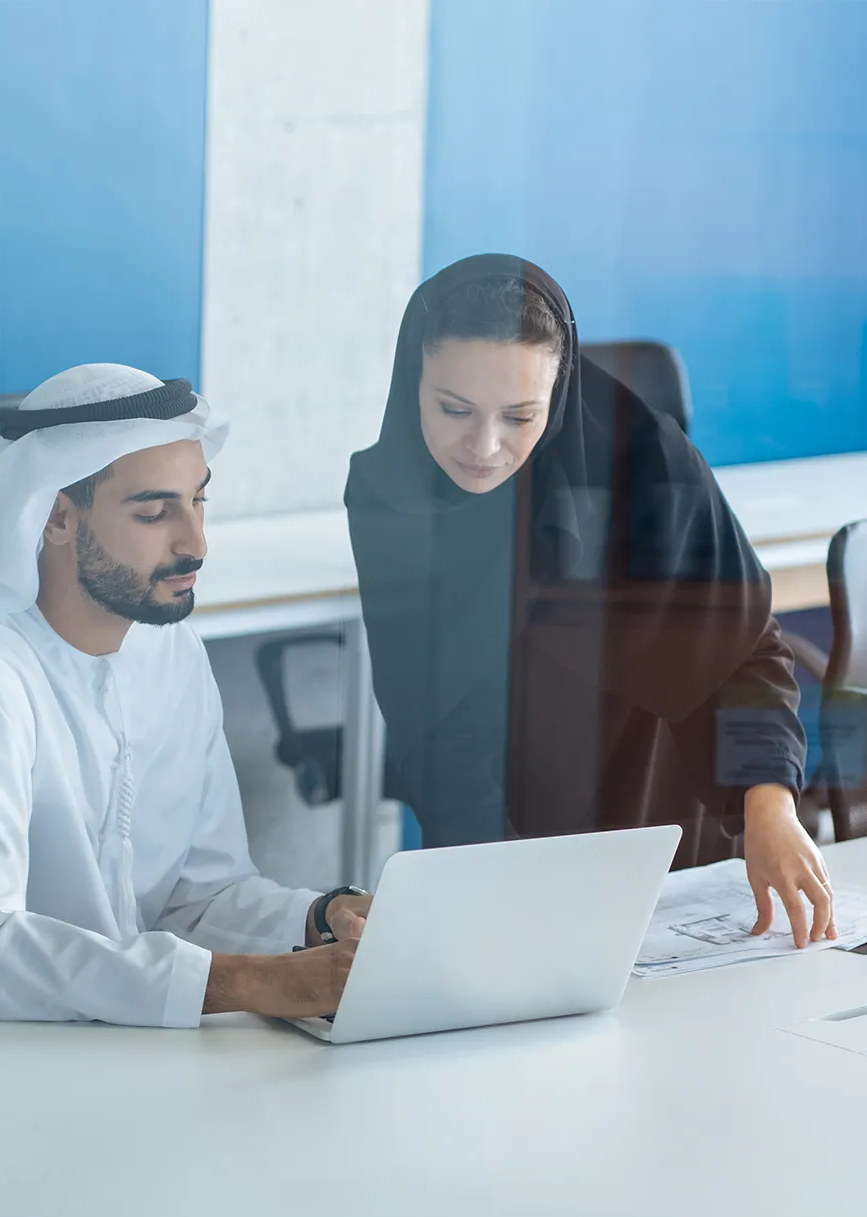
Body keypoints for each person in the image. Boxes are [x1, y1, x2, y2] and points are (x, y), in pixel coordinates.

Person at [0, 364, 370, 1032]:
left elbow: (195, 898)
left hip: (124, 1046)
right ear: (55, 518)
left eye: (199, 501)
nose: (196, 542)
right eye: (154, 511)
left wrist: (319, 920)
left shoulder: (173, 655)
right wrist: (251, 981)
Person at [344, 255, 835, 946]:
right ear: (412, 381)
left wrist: (770, 806)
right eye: (454, 409)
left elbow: (742, 651)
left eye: (520, 416)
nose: (484, 447)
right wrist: (493, 876)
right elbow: (435, 723)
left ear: (560, 389)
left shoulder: (644, 460)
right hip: (498, 811)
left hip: (657, 795)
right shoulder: (393, 494)